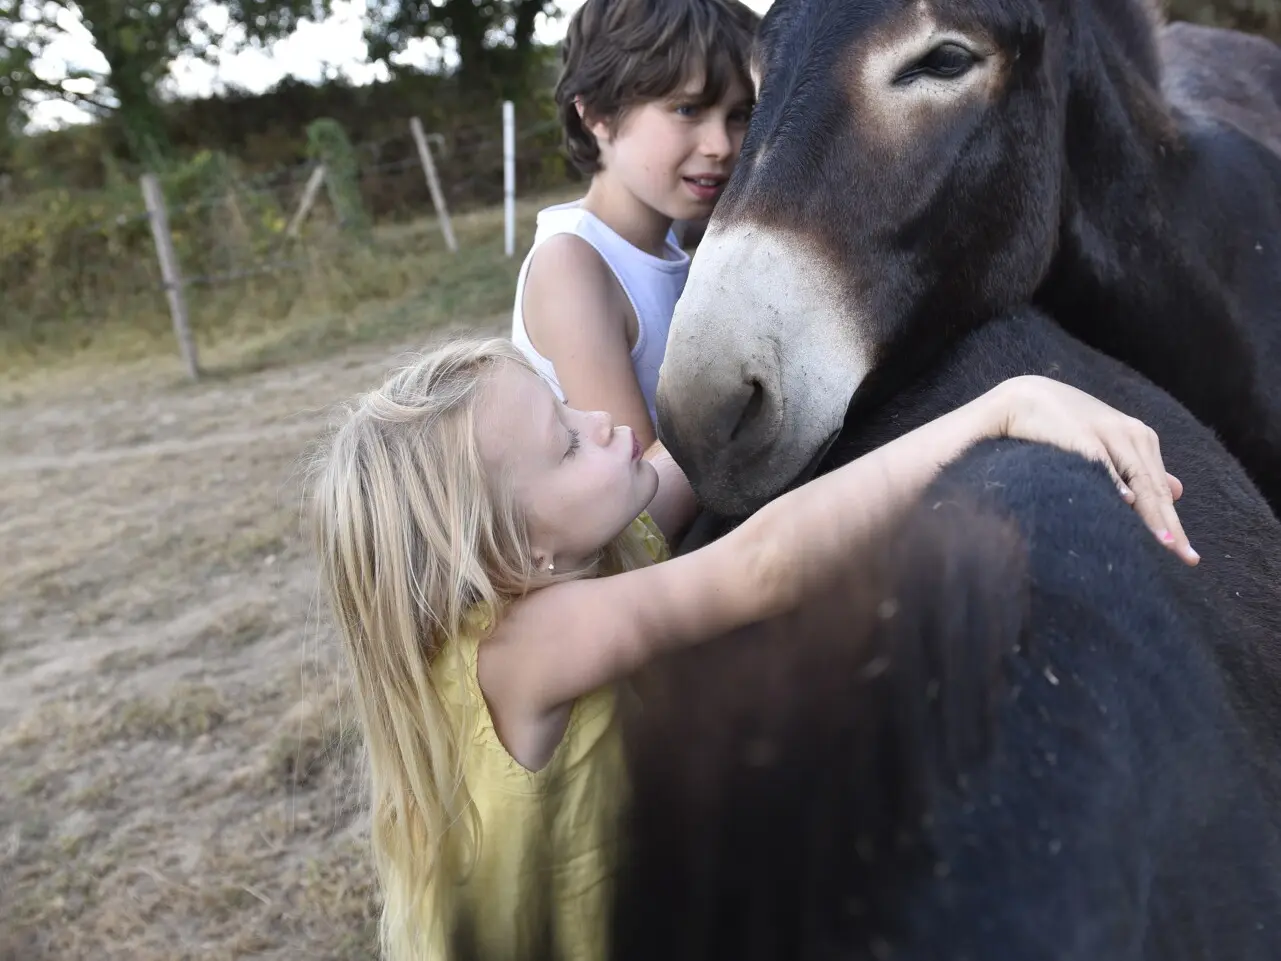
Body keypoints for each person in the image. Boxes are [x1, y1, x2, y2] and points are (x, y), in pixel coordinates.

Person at [307, 336, 1197, 961]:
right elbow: (763, 562)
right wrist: (998, 411)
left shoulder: (579, 553)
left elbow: (704, 448)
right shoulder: (521, 645)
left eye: (568, 401)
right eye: (567, 440)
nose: (602, 422)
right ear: (518, 553)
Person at [510, 0, 759, 450]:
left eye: (739, 115)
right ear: (596, 114)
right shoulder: (572, 265)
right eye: (687, 110)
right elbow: (640, 495)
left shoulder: (667, 239)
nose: (721, 145)